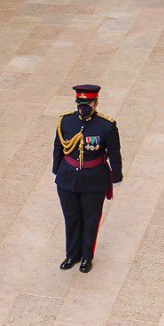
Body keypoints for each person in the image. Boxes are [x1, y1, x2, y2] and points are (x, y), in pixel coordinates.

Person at [52, 84, 124, 273]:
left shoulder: (106, 125)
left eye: (88, 102)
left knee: (91, 219)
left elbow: (114, 153)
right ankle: (72, 255)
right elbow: (58, 147)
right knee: (71, 217)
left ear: (96, 102)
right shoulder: (66, 122)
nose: (83, 106)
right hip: (68, 178)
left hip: (94, 179)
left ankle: (86, 257)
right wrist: (56, 170)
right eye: (80, 102)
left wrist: (116, 176)